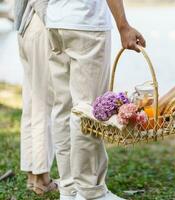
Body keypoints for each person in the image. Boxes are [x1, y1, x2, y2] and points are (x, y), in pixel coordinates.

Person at [46, 0, 145, 199]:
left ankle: (69, 188)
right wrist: (123, 25)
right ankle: (91, 192)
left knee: (63, 108)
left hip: (56, 21)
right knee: (88, 110)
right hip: (86, 23)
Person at [14, 0, 57, 195]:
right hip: (40, 24)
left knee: (31, 106)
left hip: (25, 25)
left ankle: (33, 176)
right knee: (43, 106)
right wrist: (55, 25)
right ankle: (42, 179)